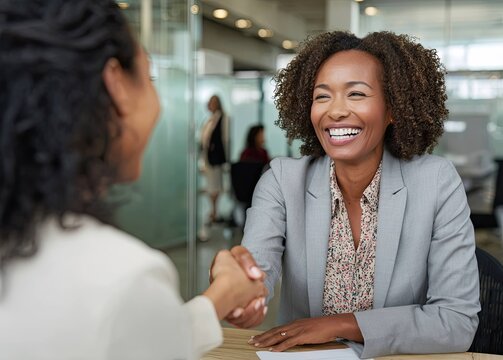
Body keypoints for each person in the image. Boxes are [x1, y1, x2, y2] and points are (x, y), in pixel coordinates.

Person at [0, 1, 266, 359]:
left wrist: (219, 298)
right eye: (149, 76)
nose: (157, 102)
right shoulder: (124, 279)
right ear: (117, 86)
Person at [226, 31, 481, 358]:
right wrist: (245, 295)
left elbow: (457, 321)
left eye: (356, 94)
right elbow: (257, 271)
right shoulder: (282, 180)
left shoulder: (436, 182)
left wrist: (342, 324)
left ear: (393, 108)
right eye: (322, 97)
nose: (335, 111)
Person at [200, 95, 229, 224]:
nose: (211, 105)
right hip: (208, 156)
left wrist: (225, 158)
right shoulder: (210, 119)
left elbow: (224, 138)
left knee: (214, 185)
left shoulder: (222, 118)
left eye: (213, 102)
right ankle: (213, 211)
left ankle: (214, 211)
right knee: (211, 184)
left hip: (215, 157)